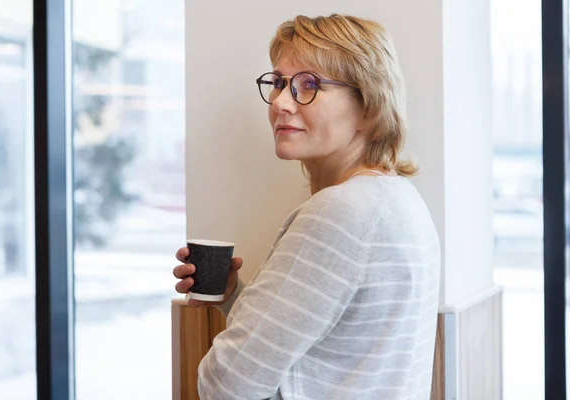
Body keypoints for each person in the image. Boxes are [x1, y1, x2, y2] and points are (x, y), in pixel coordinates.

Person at [173, 14, 441, 400]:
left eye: (309, 85)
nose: (281, 102)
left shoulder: (338, 213)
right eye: (279, 82)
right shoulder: (397, 198)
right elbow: (338, 354)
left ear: (369, 106)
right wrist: (234, 295)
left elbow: (226, 384)